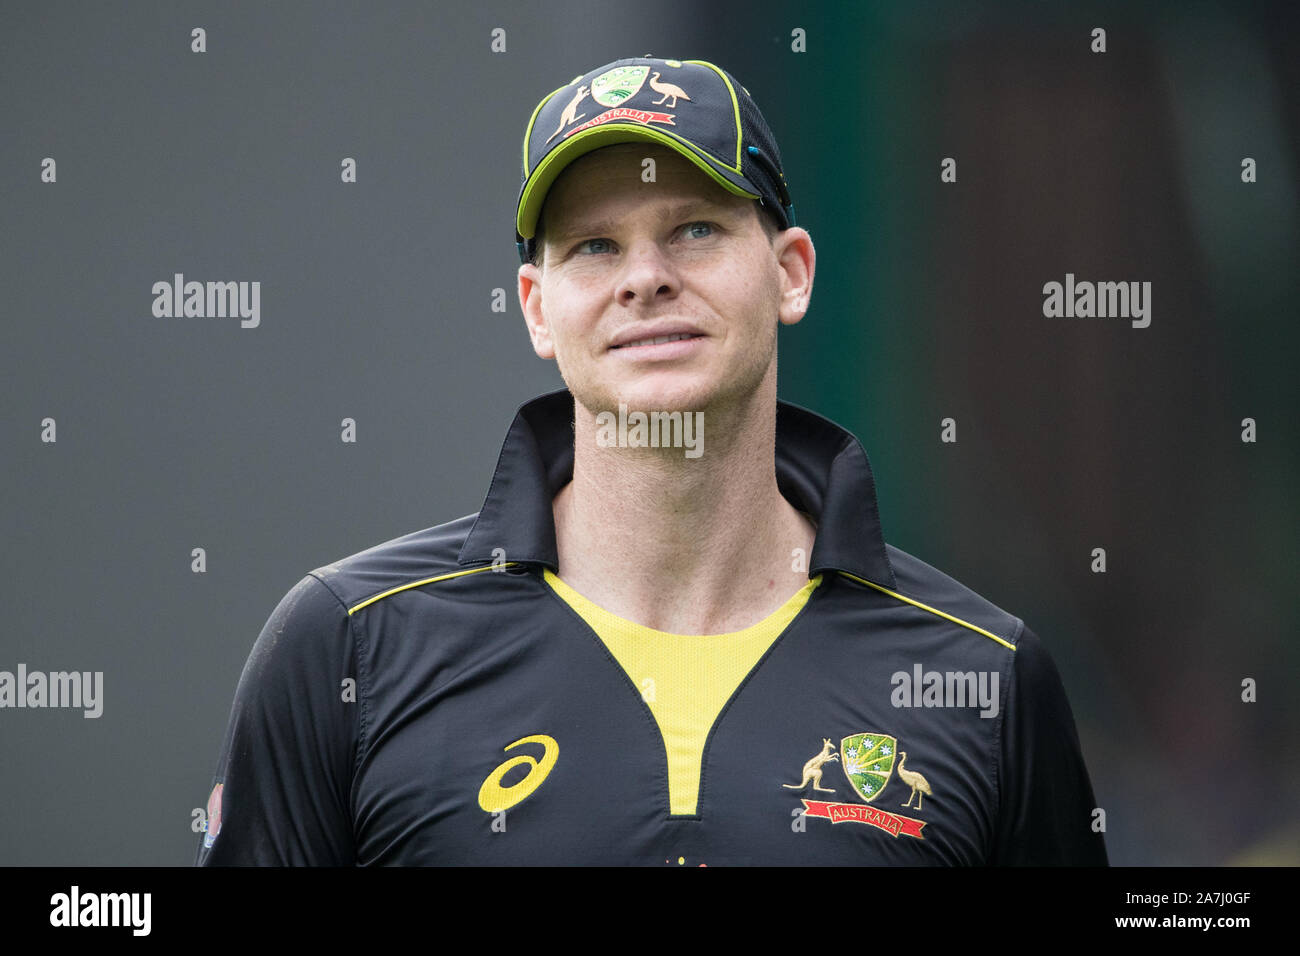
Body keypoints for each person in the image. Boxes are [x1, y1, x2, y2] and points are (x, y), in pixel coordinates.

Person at [196, 55, 1107, 865]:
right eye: (595, 246)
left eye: (696, 230)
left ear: (790, 272)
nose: (644, 277)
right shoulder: (347, 646)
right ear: (537, 308)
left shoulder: (982, 675)